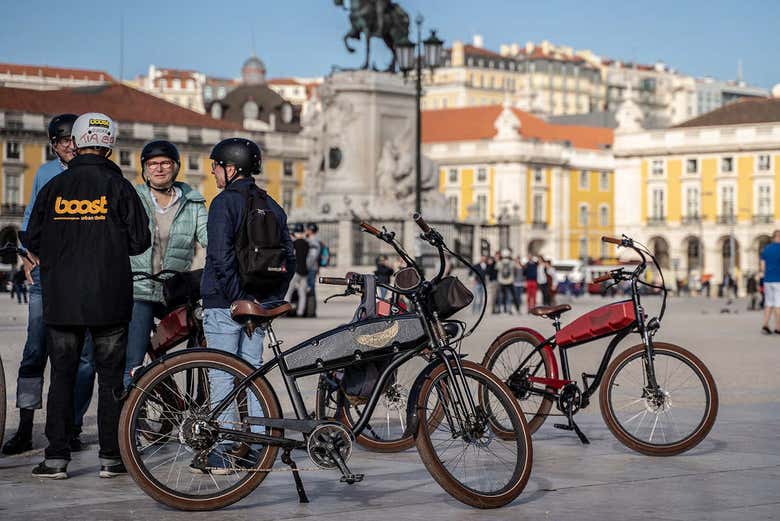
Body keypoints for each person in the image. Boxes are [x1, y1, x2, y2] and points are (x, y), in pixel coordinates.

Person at [25, 112, 151, 479]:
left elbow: (32, 239)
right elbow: (140, 241)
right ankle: (111, 457)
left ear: (77, 143)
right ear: (110, 145)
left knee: (62, 375)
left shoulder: (53, 188)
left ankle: (56, 457)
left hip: (62, 299)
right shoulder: (121, 187)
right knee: (111, 378)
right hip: (109, 297)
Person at [3, 114, 96, 456]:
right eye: (62, 141)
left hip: (84, 277)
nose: (69, 146)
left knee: (85, 356)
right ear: (53, 145)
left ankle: (71, 425)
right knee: (34, 350)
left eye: (74, 139)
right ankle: (25, 427)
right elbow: (30, 220)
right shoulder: (44, 173)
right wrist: (29, 256)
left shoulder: (94, 173)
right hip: (47, 275)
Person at [199, 137, 294, 472]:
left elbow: (220, 255)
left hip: (225, 302)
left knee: (223, 374)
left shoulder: (224, 203)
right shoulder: (272, 204)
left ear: (231, 168)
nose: (212, 172)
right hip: (259, 306)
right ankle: (256, 446)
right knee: (252, 374)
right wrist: (267, 299)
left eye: (216, 165)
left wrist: (236, 296)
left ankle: (224, 448)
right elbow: (290, 258)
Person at [123, 141, 208, 385]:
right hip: (139, 288)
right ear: (145, 169)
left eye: (165, 163)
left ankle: (197, 405)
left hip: (175, 289)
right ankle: (130, 414)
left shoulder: (192, 202)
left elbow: (209, 237)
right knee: (134, 361)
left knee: (198, 346)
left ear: (176, 167)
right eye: (152, 164)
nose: (158, 168)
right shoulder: (132, 197)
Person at [285, 224, 310, 317]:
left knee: (289, 291)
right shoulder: (307, 244)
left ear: (295, 233)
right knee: (302, 293)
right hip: (304, 270)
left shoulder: (293, 244)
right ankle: (300, 312)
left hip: (295, 270)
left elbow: (291, 257)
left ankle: (285, 311)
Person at [759, 230, 780, 334]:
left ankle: (765, 325)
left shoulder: (766, 249)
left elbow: (762, 267)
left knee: (768, 303)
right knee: (778, 305)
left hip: (767, 280)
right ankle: (778, 327)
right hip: (778, 280)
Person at [304, 223, 322, 317]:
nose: (305, 231)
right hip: (312, 268)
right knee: (309, 288)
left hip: (310, 268)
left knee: (310, 288)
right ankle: (309, 310)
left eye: (306, 229)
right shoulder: (312, 240)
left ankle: (311, 311)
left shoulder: (313, 241)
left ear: (310, 230)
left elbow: (313, 256)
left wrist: (305, 266)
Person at [496, 250, 519, 314]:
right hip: (510, 281)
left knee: (503, 296)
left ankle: (504, 309)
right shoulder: (512, 262)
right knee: (513, 296)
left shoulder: (499, 263)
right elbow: (515, 269)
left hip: (502, 281)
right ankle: (517, 309)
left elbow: (496, 269)